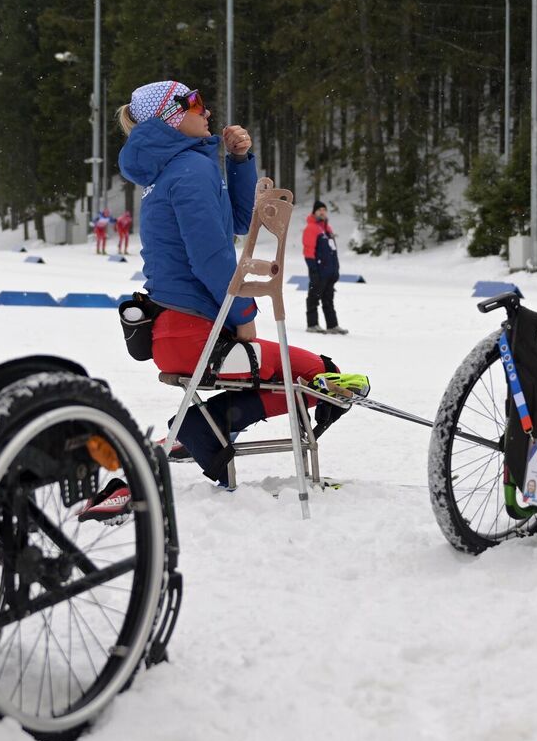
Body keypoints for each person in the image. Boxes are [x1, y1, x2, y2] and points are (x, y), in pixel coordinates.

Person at [81, 79, 364, 519]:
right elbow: (211, 259)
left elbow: (231, 220)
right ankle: (202, 428)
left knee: (313, 377)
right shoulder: (189, 171)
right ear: (171, 116)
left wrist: (239, 162)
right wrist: (243, 314)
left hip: (176, 333)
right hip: (198, 332)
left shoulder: (175, 170)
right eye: (195, 102)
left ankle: (203, 427)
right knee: (323, 378)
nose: (207, 111)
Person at [302, 200, 346, 335]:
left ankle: (332, 325)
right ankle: (312, 324)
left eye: (324, 210)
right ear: (314, 212)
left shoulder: (327, 228)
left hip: (329, 272)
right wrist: (313, 270)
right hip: (319, 271)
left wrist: (335, 270)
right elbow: (308, 250)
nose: (322, 212)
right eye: (319, 210)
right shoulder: (311, 228)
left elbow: (332, 252)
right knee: (314, 297)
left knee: (328, 299)